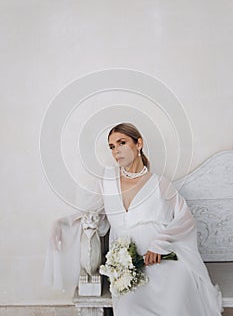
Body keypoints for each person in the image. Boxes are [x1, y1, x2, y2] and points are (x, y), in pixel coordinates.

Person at [43, 122, 223, 316]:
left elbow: (185, 220)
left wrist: (159, 244)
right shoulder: (107, 181)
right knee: (130, 307)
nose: (116, 151)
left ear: (139, 144)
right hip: (127, 267)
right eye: (112, 146)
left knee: (177, 297)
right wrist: (61, 223)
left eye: (122, 143)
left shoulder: (160, 184)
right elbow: (89, 213)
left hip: (163, 260)